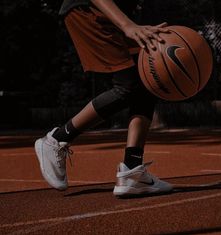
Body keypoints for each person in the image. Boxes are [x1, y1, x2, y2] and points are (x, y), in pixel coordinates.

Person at [35, 0, 173, 196]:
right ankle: (57, 139)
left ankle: (132, 171)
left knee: (145, 84)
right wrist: (127, 25)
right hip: (89, 8)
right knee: (129, 86)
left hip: (115, 11)